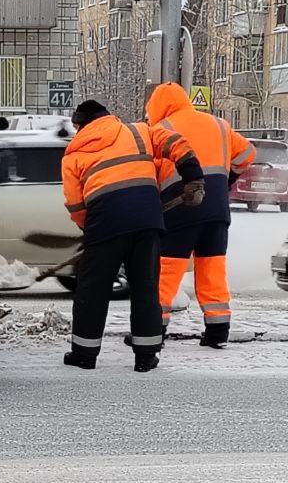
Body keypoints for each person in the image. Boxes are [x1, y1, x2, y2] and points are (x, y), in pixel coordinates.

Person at [61, 99, 205, 372]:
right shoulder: (139, 131)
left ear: (80, 125)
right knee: (145, 288)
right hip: (146, 219)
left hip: (104, 222)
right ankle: (146, 356)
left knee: (92, 291)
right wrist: (193, 175)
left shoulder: (72, 155)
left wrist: (88, 229)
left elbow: (76, 204)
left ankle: (84, 355)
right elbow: (177, 143)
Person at [145, 83, 256, 348]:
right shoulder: (218, 124)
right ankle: (217, 331)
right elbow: (248, 154)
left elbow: (151, 172)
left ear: (158, 106)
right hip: (217, 209)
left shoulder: (160, 131)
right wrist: (227, 178)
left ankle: (153, 331)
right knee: (212, 270)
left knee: (166, 273)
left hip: (180, 208)